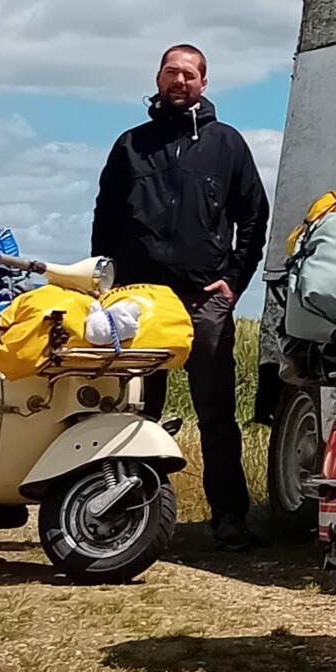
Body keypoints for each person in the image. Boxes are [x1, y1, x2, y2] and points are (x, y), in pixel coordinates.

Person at [92, 44, 270, 551]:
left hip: (203, 301)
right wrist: (105, 283)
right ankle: (131, 517)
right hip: (138, 304)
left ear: (204, 84)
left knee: (215, 414)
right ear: (158, 77)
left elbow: (254, 216)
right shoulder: (131, 145)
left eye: (189, 74)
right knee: (133, 410)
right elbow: (105, 218)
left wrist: (235, 279)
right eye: (172, 71)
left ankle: (229, 519)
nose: (179, 80)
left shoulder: (227, 145)